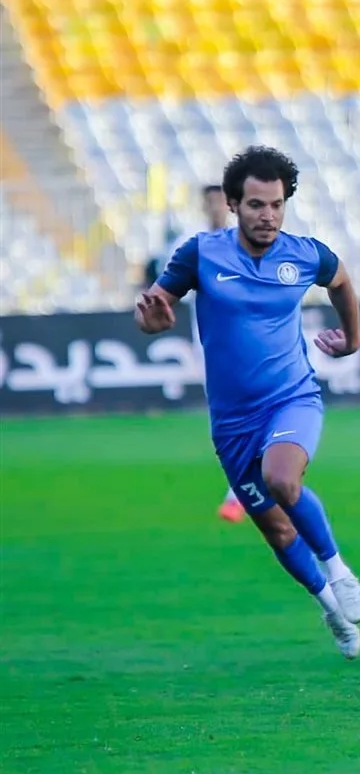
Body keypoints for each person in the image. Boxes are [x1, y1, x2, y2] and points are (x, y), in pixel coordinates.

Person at [134, 147, 360, 659]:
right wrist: (151, 321)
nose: (268, 215)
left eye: (277, 205)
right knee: (277, 529)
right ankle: (331, 608)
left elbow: (341, 281)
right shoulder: (200, 254)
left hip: (292, 397)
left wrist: (353, 339)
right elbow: (154, 306)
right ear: (233, 204)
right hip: (232, 422)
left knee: (282, 479)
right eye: (257, 205)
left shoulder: (305, 254)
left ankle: (339, 571)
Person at [144, 185, 248, 523]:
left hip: (251, 340)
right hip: (210, 342)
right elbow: (163, 282)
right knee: (228, 415)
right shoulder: (192, 245)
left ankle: (241, 490)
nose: (216, 206)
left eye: (221, 200)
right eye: (210, 201)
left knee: (253, 409)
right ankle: (245, 485)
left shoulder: (247, 241)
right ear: (203, 205)